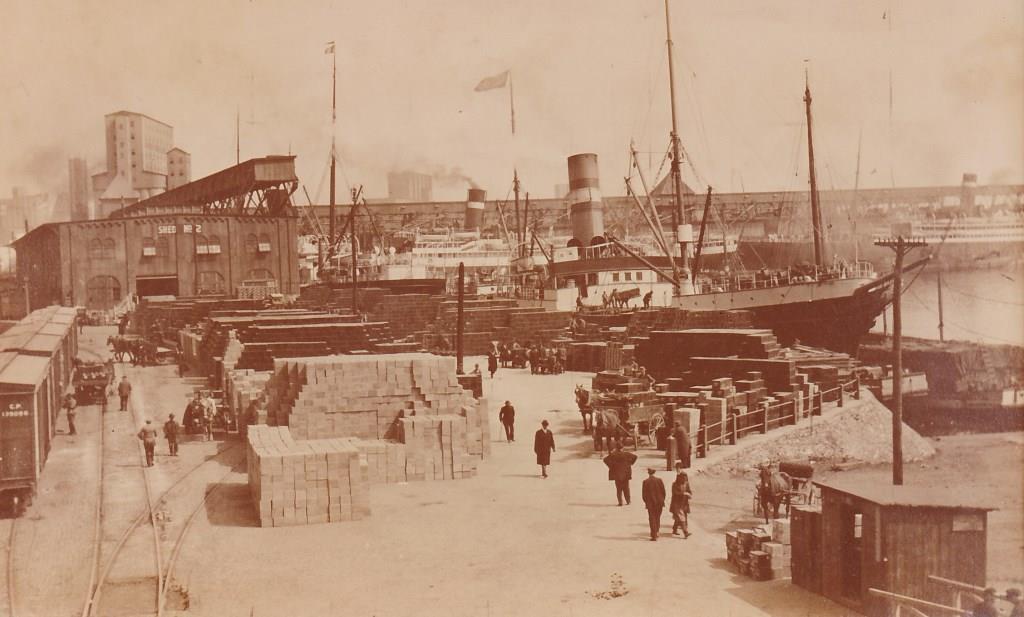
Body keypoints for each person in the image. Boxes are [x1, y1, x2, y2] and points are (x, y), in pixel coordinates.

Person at [642, 468, 666, 541]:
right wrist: (662, 500)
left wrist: (646, 502)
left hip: (650, 504)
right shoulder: (659, 480)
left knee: (652, 518)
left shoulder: (645, 482)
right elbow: (664, 492)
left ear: (648, 473)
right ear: (654, 473)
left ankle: (654, 535)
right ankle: (657, 531)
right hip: (659, 503)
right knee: (657, 517)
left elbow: (644, 495)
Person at [670, 464, 692, 537]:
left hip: (684, 503)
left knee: (678, 517)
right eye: (683, 479)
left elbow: (689, 491)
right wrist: (684, 493)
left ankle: (674, 529)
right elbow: (675, 493)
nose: (684, 480)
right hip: (677, 503)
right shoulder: (674, 485)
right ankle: (686, 533)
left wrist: (689, 494)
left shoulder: (686, 483)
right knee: (681, 517)